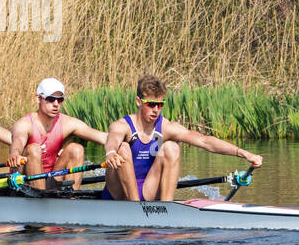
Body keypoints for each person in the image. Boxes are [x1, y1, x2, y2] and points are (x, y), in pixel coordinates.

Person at [102, 75, 262, 202]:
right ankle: (134, 207)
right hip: (118, 191)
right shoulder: (123, 125)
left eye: (160, 105)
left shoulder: (166, 127)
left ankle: (166, 209)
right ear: (138, 102)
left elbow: (205, 141)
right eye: (151, 104)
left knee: (172, 147)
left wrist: (244, 153)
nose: (156, 110)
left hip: (147, 188)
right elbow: (113, 138)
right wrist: (110, 153)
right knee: (122, 148)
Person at [7, 78, 110, 190]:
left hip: (51, 178)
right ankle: (40, 199)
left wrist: (127, 139)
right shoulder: (24, 124)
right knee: (34, 149)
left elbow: (103, 137)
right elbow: (18, 142)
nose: (56, 104)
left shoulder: (67, 123)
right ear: (38, 98)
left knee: (76, 149)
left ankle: (71, 198)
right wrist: (15, 155)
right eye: (50, 99)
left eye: (60, 100)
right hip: (23, 180)